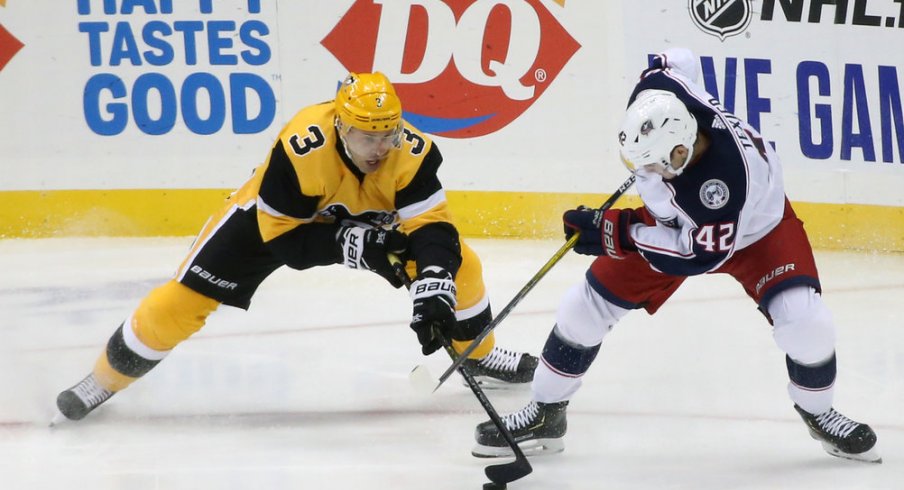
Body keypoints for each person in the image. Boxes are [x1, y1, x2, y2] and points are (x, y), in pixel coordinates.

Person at [54, 72, 538, 423]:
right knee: (179, 303)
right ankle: (104, 380)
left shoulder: (410, 155)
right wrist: (365, 248)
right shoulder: (299, 151)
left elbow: (434, 230)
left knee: (460, 265)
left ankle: (475, 353)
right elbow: (286, 241)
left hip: (365, 215)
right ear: (339, 128)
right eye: (364, 136)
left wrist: (432, 286)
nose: (378, 147)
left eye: (386, 134)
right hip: (276, 220)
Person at [472, 48, 880, 463]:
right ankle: (546, 413)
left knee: (807, 323)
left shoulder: (722, 184)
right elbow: (677, 60)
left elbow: (694, 254)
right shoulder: (661, 94)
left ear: (682, 152)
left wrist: (616, 231)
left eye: (653, 166)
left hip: (756, 230)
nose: (644, 173)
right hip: (683, 223)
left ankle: (818, 411)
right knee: (584, 306)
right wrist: (662, 63)